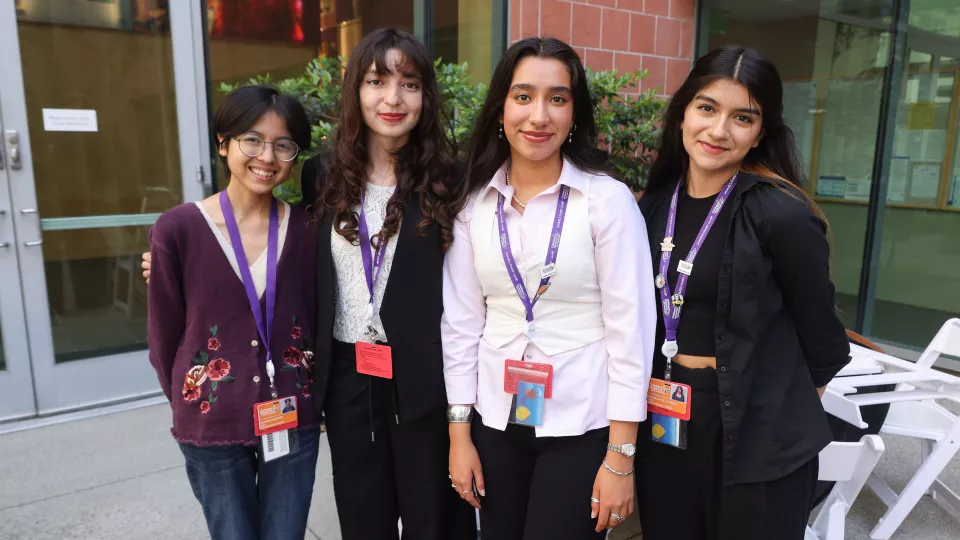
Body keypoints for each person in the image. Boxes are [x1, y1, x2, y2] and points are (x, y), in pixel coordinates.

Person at [442, 37, 656, 540]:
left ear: (574, 113)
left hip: (583, 425)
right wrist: (459, 434)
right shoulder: (473, 204)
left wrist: (621, 457)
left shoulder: (607, 201)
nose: (539, 115)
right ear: (500, 109)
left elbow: (631, 330)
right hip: (496, 420)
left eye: (557, 98)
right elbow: (461, 324)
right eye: (523, 96)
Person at [634, 47, 850, 540]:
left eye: (743, 117)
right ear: (683, 112)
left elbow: (824, 343)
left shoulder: (782, 214)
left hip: (758, 436)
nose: (718, 131)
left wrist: (772, 407)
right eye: (707, 108)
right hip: (666, 419)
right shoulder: (652, 207)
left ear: (760, 133)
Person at [302, 28, 477, 540]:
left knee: (434, 520)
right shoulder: (323, 173)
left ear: (426, 95)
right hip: (349, 378)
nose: (393, 99)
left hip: (425, 379)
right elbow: (280, 239)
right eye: (377, 81)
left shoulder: (452, 178)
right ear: (357, 89)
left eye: (409, 83)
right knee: (363, 519)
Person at [147, 85, 321, 540]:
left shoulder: (307, 230)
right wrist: (191, 403)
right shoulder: (179, 229)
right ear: (223, 143)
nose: (267, 155)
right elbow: (164, 336)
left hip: (292, 416)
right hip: (211, 420)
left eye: (283, 144)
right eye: (252, 140)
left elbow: (318, 318)